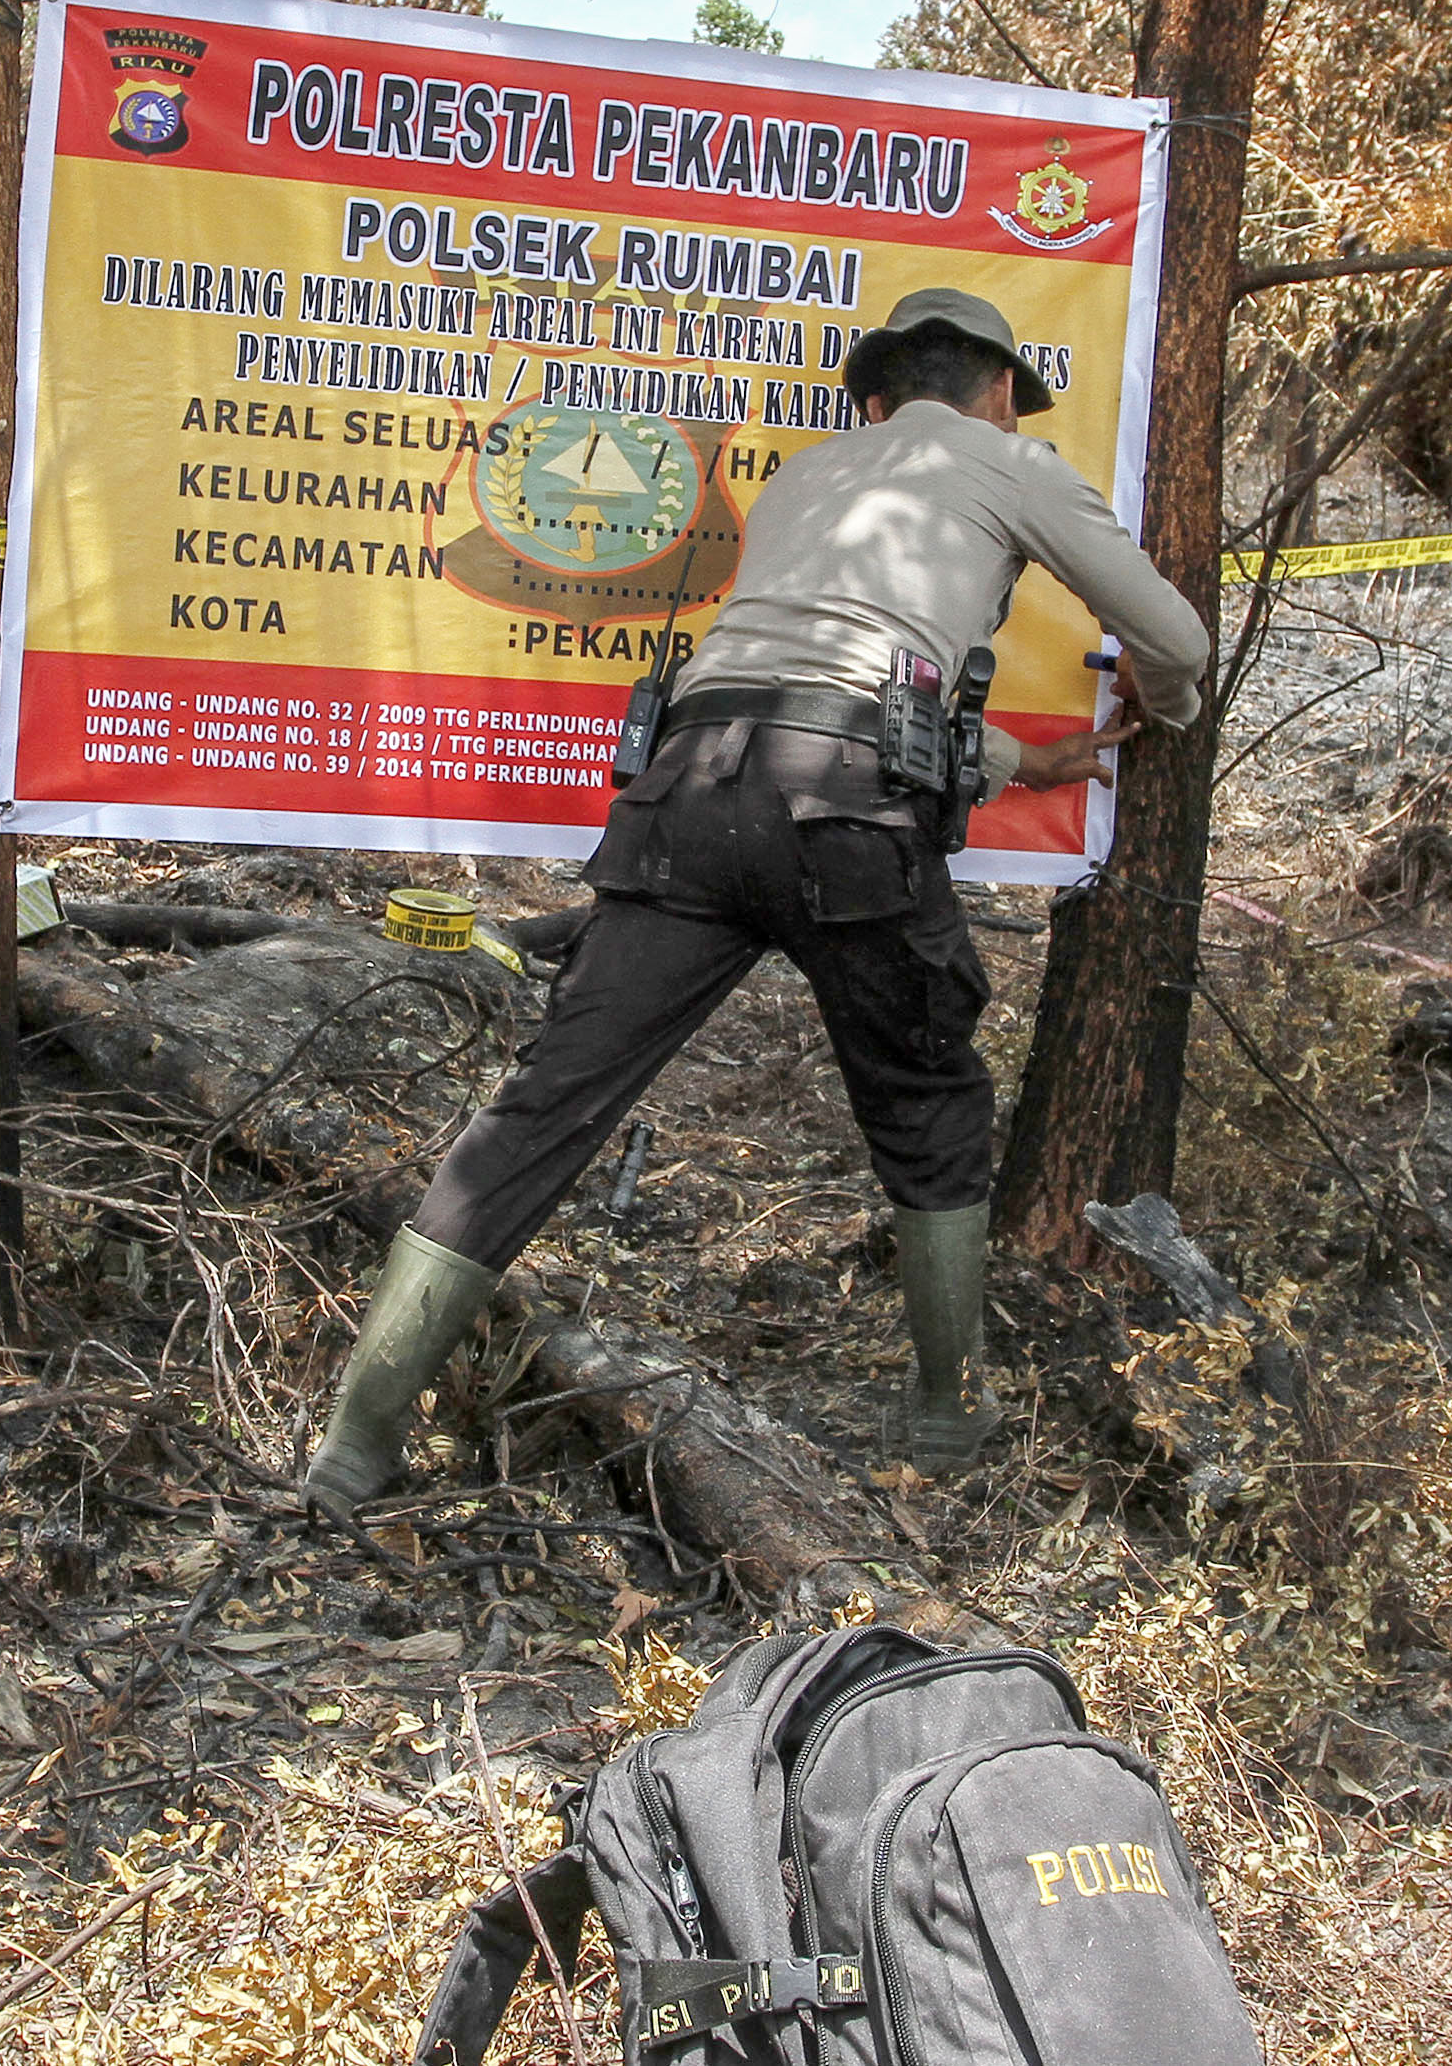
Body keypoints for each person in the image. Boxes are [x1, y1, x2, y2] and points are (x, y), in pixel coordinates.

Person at [299, 288, 1214, 1509]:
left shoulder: (808, 479)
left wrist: (1011, 762)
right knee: (928, 1100)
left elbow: (812, 669)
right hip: (842, 816)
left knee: (543, 1108)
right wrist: (1170, 705)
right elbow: (1173, 641)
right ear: (997, 391)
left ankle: (357, 1437)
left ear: (879, 397)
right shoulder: (1011, 461)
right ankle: (947, 1418)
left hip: (686, 789)